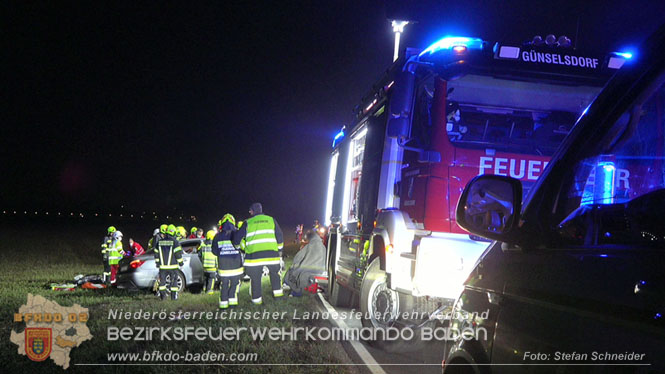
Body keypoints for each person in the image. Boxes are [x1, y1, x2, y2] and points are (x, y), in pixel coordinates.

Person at [233, 203, 284, 304]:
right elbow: (280, 235)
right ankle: (278, 298)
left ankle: (256, 301)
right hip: (272, 255)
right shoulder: (271, 220)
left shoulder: (248, 222)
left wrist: (239, 248)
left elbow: (236, 240)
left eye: (250, 211)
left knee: (255, 279)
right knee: (275, 276)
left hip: (254, 257)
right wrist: (279, 250)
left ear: (252, 211)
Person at [213, 214, 243, 308]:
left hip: (223, 267)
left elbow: (214, 251)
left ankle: (223, 306)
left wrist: (222, 254)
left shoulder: (217, 236)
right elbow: (243, 248)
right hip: (236, 267)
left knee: (224, 286)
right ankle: (232, 305)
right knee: (234, 285)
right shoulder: (237, 234)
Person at [284, 230, 326, 296]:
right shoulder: (323, 247)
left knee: (293, 271)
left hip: (307, 269)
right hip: (320, 270)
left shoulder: (309, 246)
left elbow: (298, 258)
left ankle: (288, 285)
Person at [154, 224, 183, 300]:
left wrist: (157, 263)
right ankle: (173, 297)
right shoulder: (175, 242)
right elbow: (178, 254)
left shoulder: (159, 242)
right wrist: (181, 263)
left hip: (162, 267)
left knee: (162, 283)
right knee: (174, 282)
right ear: (174, 232)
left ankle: (163, 297)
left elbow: (156, 253)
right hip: (173, 266)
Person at [199, 230, 218, 294]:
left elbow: (199, 255)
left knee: (206, 278)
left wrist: (203, 261)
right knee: (211, 279)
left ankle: (204, 290)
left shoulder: (203, 244)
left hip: (205, 266)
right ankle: (209, 292)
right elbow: (217, 255)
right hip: (212, 266)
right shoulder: (215, 245)